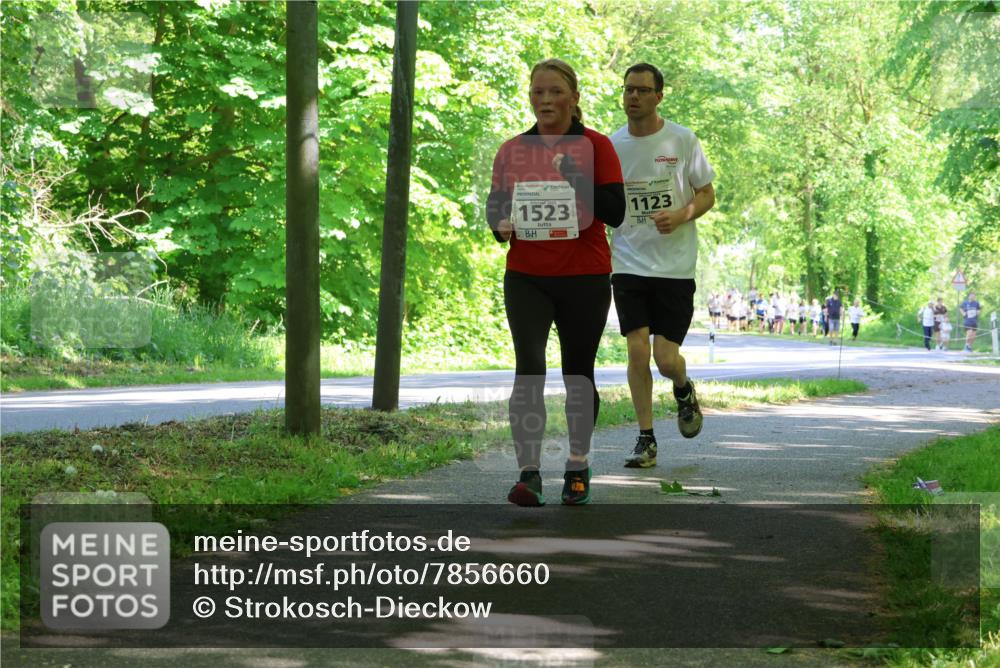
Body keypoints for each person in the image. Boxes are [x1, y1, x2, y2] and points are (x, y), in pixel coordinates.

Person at [486, 58, 625, 505]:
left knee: (577, 374)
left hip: (584, 276)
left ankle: (577, 466)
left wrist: (575, 177)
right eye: (537, 92)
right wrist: (500, 223)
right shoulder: (511, 149)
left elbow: (615, 211)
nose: (545, 100)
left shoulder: (597, 146)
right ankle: (529, 473)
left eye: (554, 92)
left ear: (574, 98)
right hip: (527, 274)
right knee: (528, 367)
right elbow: (496, 205)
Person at [608, 62, 716, 468]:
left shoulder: (682, 140)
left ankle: (684, 390)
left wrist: (684, 214)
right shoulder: (612, 146)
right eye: (627, 90)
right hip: (629, 261)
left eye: (641, 90)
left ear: (659, 96)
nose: (632, 97)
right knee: (637, 352)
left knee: (665, 359)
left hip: (673, 266)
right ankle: (646, 439)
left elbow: (707, 193)